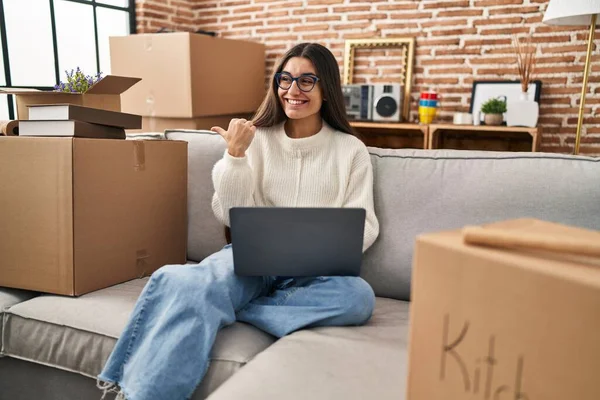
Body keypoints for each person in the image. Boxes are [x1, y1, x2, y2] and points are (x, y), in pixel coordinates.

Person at [96, 42, 379, 400]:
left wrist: (323, 248)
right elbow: (229, 214)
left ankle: (227, 305)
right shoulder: (255, 139)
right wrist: (235, 157)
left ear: (328, 89)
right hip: (251, 261)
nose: (293, 90)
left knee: (358, 297)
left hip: (314, 270)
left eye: (307, 81)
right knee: (195, 285)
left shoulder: (350, 150)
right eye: (285, 79)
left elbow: (365, 224)